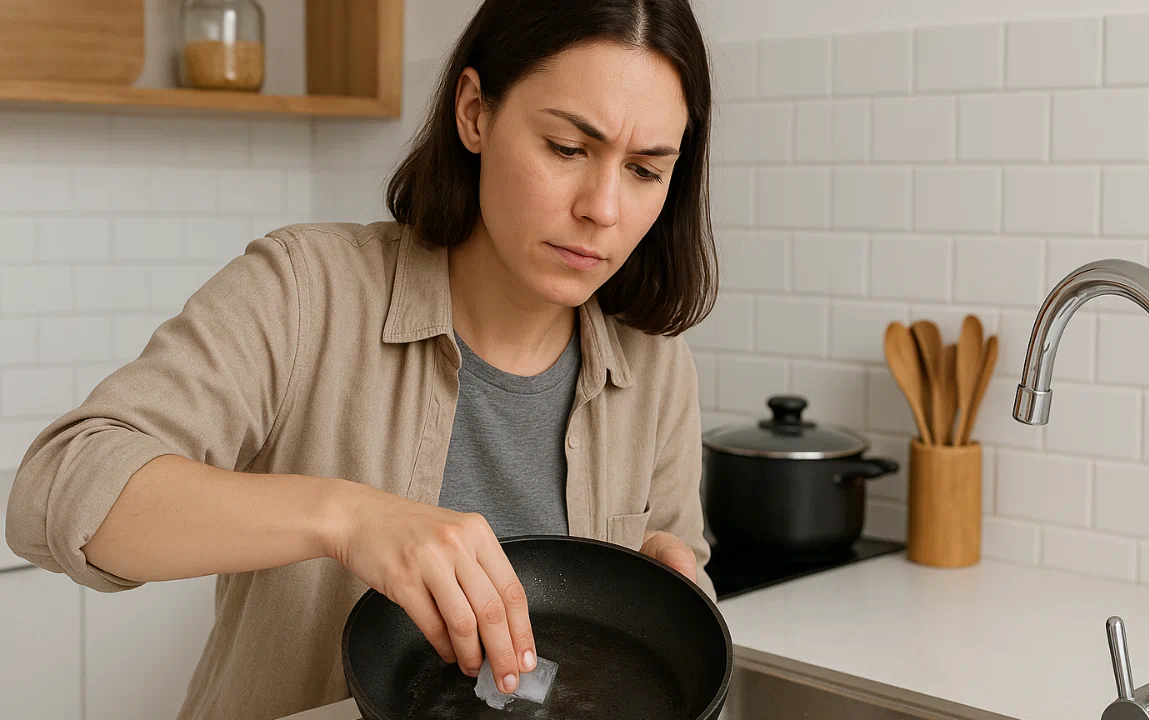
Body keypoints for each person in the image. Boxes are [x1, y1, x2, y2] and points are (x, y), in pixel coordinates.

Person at [3, 0, 718, 717]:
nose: (603, 208)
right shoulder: (305, 290)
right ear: (475, 112)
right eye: (567, 149)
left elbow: (678, 569)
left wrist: (674, 592)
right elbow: (60, 486)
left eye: (645, 171)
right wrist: (348, 519)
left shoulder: (654, 366)